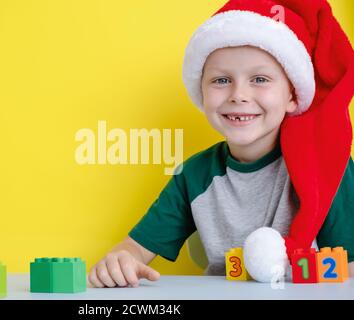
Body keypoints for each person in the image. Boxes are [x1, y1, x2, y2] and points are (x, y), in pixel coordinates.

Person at [88, 0, 354, 287]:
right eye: (222, 80)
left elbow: (349, 271)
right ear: (201, 93)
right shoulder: (193, 175)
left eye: (260, 79)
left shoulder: (327, 166)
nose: (238, 95)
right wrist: (120, 261)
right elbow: (134, 249)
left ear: (292, 95)